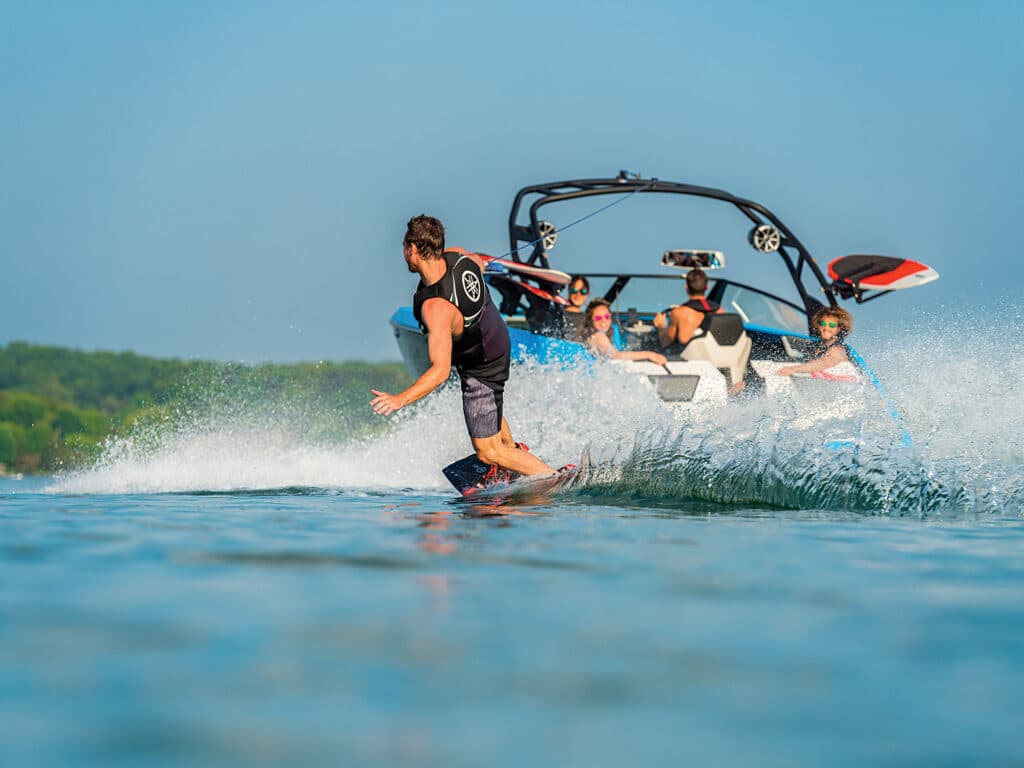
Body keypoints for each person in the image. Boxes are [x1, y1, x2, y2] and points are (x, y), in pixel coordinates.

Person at [370, 215, 557, 478]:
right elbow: (479, 263)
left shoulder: (435, 307)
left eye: (404, 246)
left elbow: (440, 372)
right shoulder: (459, 257)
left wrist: (400, 400)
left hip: (481, 364)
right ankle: (513, 453)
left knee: (487, 450)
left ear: (412, 249)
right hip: (498, 339)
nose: (403, 252)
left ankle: (552, 477)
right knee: (491, 411)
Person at [652, 268, 725, 351]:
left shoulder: (679, 313)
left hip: (689, 361)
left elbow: (665, 342)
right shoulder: (720, 311)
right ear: (707, 287)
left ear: (687, 288)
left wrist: (661, 326)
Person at [584, 300, 668, 366]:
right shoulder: (598, 337)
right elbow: (616, 356)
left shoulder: (607, 336)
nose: (603, 321)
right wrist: (650, 355)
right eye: (598, 318)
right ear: (590, 321)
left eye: (606, 317)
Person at [777, 306, 854, 376]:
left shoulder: (838, 349)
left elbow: (823, 363)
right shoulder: (818, 346)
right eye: (823, 323)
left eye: (832, 325)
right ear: (818, 325)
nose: (826, 328)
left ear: (839, 329)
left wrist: (794, 369)